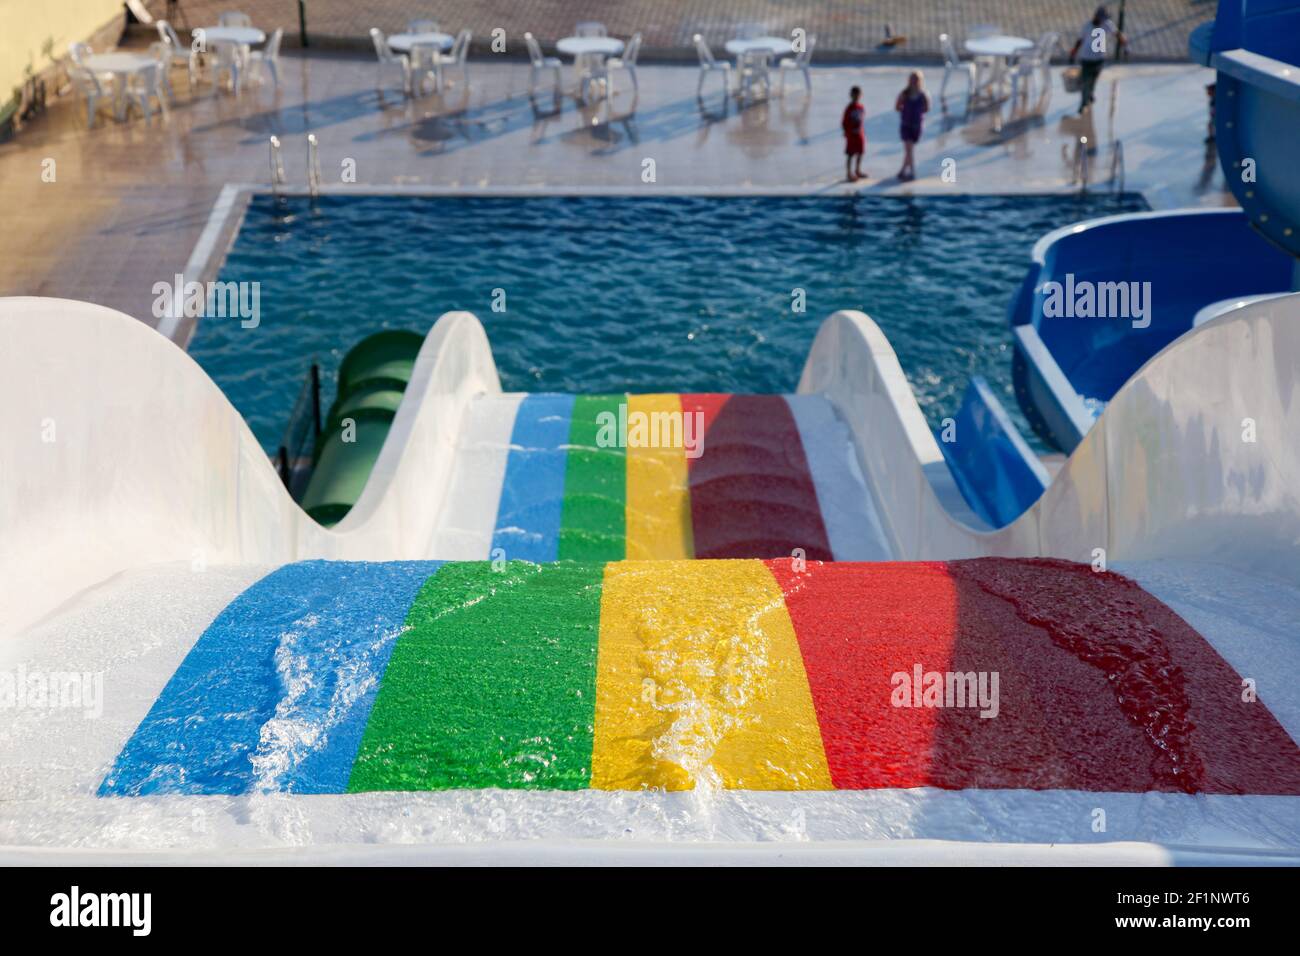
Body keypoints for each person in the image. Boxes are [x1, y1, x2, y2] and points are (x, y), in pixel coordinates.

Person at [1068, 6, 1126, 113]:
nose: (1103, 21)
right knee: (1085, 81)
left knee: (1093, 80)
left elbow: (1117, 34)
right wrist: (1074, 52)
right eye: (1101, 18)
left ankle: (1090, 94)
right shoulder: (1087, 26)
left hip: (1099, 58)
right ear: (1096, 17)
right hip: (1086, 58)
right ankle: (1083, 104)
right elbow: (1080, 40)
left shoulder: (1107, 24)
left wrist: (1124, 43)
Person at [895, 71, 930, 181]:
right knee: (909, 149)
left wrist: (917, 113)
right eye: (912, 79)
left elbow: (927, 108)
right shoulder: (904, 93)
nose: (914, 81)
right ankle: (912, 171)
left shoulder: (923, 94)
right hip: (906, 124)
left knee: (909, 149)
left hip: (916, 126)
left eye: (916, 79)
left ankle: (902, 170)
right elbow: (897, 107)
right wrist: (906, 111)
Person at [842, 86, 866, 181]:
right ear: (851, 95)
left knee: (860, 152)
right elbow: (844, 122)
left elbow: (861, 120)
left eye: (858, 95)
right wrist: (847, 132)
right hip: (851, 135)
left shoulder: (861, 107)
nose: (856, 97)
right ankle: (848, 173)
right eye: (854, 95)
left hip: (859, 134)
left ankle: (857, 170)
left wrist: (862, 132)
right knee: (850, 154)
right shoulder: (849, 108)